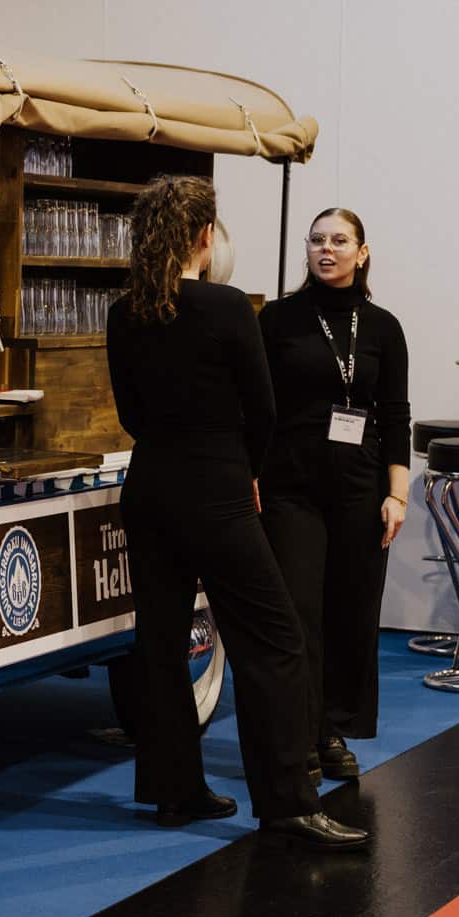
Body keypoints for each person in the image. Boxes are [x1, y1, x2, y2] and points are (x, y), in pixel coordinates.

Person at [106, 176, 368, 850]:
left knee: (159, 643)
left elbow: (131, 414)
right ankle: (286, 801)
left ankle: (174, 790)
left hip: (150, 486)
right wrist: (246, 470)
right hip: (217, 490)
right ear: (202, 237)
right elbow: (265, 411)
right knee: (275, 642)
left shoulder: (123, 311)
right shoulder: (227, 308)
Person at [258, 208, 411, 782]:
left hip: (361, 485)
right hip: (290, 485)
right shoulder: (276, 320)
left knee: (351, 610)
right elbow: (256, 405)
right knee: (299, 613)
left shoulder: (383, 327)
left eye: (340, 240)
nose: (328, 249)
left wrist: (397, 495)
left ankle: (331, 729)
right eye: (318, 240)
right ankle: (299, 734)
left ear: (362, 252)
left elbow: (397, 416)